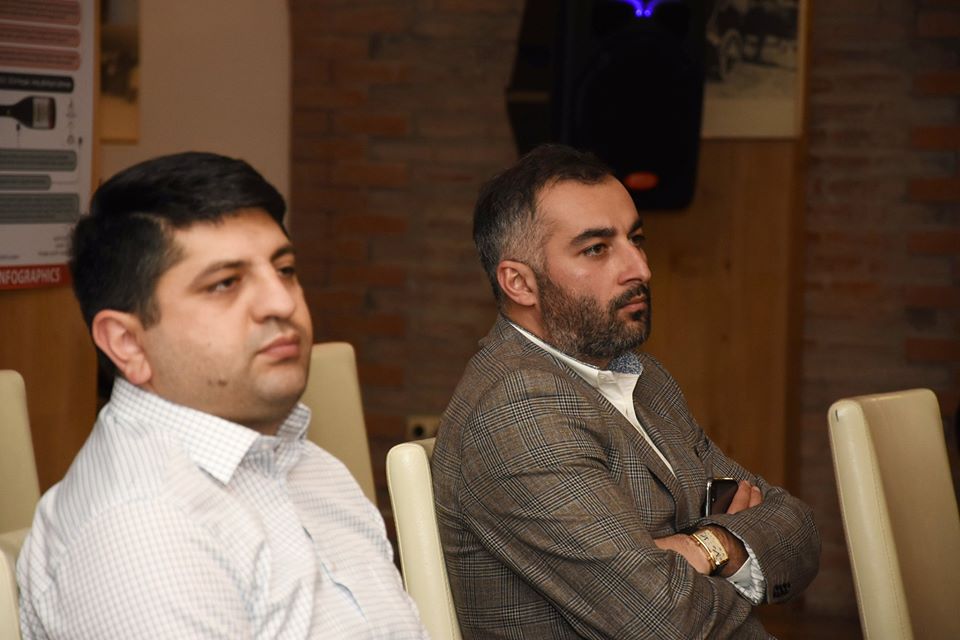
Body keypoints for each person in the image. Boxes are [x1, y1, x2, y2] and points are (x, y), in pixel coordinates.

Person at [17, 152, 427, 639]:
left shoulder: (306, 462)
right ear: (128, 343)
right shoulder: (141, 530)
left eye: (285, 269)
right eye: (225, 283)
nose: (281, 301)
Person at [432, 144, 820, 639]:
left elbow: (798, 529)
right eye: (596, 248)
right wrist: (731, 546)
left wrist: (704, 547)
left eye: (636, 239)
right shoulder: (517, 410)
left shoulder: (642, 377)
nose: (639, 268)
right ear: (520, 283)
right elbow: (663, 620)